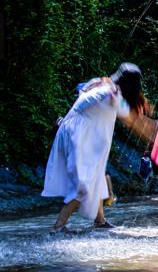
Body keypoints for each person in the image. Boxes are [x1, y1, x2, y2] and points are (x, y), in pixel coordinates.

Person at [43, 63, 148, 232]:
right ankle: (58, 227)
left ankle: (100, 221)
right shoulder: (112, 95)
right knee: (83, 185)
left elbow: (82, 95)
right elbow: (133, 123)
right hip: (79, 137)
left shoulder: (103, 84)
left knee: (96, 178)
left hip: (75, 132)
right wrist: (156, 135)